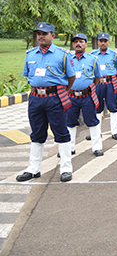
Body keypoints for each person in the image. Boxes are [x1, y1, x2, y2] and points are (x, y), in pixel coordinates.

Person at [18, 22, 75, 182]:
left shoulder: (62, 54)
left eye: (45, 33)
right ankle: (33, 169)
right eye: (39, 33)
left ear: (52, 35)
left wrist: (59, 92)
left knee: (61, 132)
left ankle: (65, 169)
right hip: (36, 99)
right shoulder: (30, 54)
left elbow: (71, 78)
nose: (41, 36)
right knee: (36, 133)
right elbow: (28, 76)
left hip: (55, 99)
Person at [66, 34, 103, 157]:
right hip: (71, 95)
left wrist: (88, 86)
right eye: (76, 42)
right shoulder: (67, 58)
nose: (78, 44)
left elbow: (97, 77)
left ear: (86, 44)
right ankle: (70, 147)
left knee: (92, 120)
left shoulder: (92, 59)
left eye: (81, 41)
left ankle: (97, 147)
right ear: (73, 44)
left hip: (87, 96)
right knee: (70, 121)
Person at [91, 32, 117, 140]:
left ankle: (115, 132)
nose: (103, 43)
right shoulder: (93, 54)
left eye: (105, 41)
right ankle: (96, 132)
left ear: (109, 42)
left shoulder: (114, 54)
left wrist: (113, 78)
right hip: (98, 84)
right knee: (97, 107)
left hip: (110, 83)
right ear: (98, 42)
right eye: (101, 41)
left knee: (113, 107)